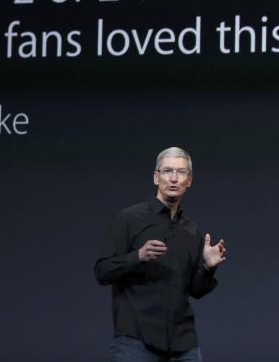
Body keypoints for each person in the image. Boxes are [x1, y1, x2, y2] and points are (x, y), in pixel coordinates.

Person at [95, 146, 227, 361]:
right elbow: (102, 271)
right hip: (136, 341)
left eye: (181, 172)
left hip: (183, 344)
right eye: (167, 171)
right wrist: (138, 256)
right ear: (156, 177)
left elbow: (195, 290)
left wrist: (207, 267)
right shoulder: (129, 219)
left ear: (189, 180)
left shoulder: (192, 231)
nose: (174, 178)